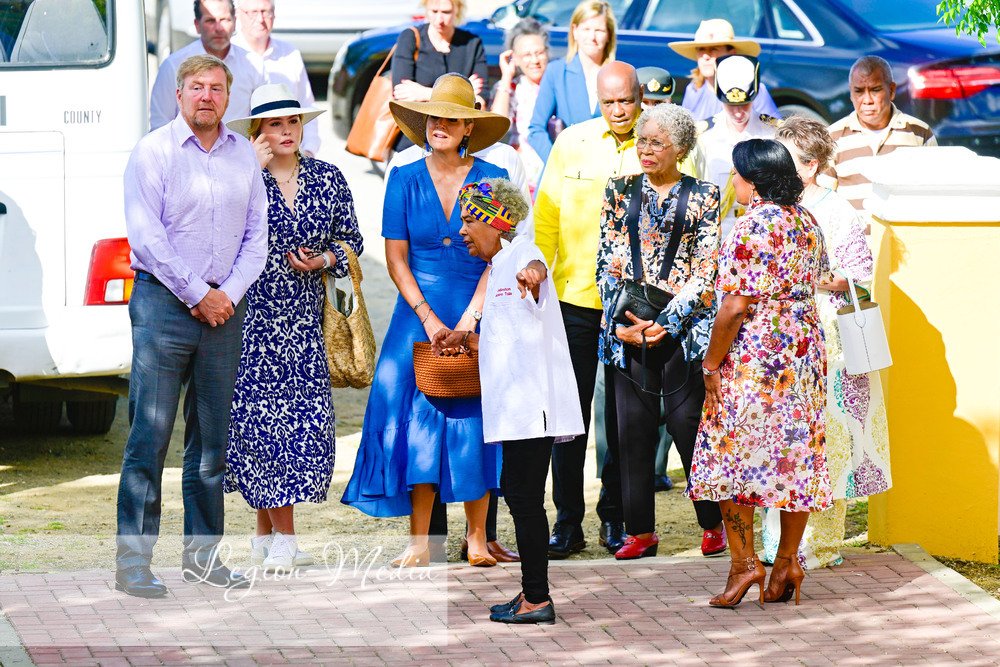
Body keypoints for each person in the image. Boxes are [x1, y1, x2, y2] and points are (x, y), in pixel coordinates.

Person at [341, 74, 511, 569]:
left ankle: (477, 539)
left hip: (478, 310)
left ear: (467, 128)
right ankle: (421, 542)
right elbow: (395, 259)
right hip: (416, 315)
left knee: (475, 420)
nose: (441, 125)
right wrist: (429, 318)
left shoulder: (493, 176)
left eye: (451, 119)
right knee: (414, 420)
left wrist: (471, 317)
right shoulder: (402, 176)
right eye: (434, 117)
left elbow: (498, 256)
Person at [116, 54, 267, 598]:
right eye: (197, 87)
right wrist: (199, 294)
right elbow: (146, 238)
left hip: (225, 311)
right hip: (163, 306)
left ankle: (203, 561)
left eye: (217, 88)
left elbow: (257, 238)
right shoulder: (153, 152)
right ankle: (132, 564)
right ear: (179, 94)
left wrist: (225, 295)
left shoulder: (244, 156)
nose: (207, 96)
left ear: (229, 97)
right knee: (148, 436)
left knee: (210, 448)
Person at [686, 138, 833, 608]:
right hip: (803, 353)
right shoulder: (806, 222)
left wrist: (711, 364)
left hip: (756, 360)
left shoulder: (751, 227)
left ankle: (744, 565)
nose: (732, 182)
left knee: (729, 458)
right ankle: (788, 561)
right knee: (796, 459)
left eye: (735, 175)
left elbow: (733, 307)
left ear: (753, 180)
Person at [223, 84, 363, 571]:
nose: (286, 131)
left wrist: (324, 258)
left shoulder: (328, 177)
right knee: (261, 431)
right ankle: (281, 538)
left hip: (307, 324)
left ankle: (268, 536)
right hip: (253, 322)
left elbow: (353, 241)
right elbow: (219, 233)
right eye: (275, 124)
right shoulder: (243, 176)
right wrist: (250, 171)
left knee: (299, 430)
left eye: (293, 122)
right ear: (258, 132)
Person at [433, 178, 584, 625]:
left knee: (523, 498)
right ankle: (531, 594)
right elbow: (508, 335)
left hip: (530, 407)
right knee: (522, 498)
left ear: (493, 219)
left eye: (467, 219)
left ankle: (538, 598)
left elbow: (536, 264)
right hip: (515, 407)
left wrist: (534, 275)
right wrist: (466, 338)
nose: (462, 230)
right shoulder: (499, 265)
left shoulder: (520, 253)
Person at [596, 103, 725, 560]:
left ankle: (713, 522)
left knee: (688, 425)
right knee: (630, 431)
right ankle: (640, 532)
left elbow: (708, 271)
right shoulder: (619, 190)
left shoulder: (705, 194)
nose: (645, 149)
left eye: (656, 142)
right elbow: (606, 261)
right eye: (641, 140)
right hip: (626, 326)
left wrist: (665, 324)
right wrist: (623, 324)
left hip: (683, 331)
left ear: (681, 149)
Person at [761, 116, 891, 569]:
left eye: (787, 159)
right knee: (780, 437)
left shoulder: (838, 212)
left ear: (811, 165)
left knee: (829, 437)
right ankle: (775, 542)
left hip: (828, 336)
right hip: (777, 338)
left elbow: (857, 274)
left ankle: (820, 543)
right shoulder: (770, 205)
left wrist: (811, 277)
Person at [534, 61, 643, 559]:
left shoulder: (659, 143)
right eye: (610, 102)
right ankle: (567, 522)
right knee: (568, 418)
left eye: (627, 101)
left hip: (634, 306)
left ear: (641, 97)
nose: (619, 111)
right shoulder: (571, 142)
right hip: (574, 299)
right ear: (597, 99)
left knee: (624, 420)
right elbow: (547, 217)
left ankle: (617, 517)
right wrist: (535, 276)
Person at [821, 55, 936, 219]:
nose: (867, 100)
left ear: (891, 90)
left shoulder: (919, 133)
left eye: (875, 90)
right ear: (851, 93)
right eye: (859, 91)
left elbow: (931, 194)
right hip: (853, 243)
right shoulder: (833, 137)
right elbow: (824, 199)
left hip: (903, 240)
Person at [693, 54, 778, 242]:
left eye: (744, 104)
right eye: (731, 105)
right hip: (719, 235)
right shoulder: (704, 136)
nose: (738, 113)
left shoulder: (773, 133)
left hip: (764, 234)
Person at [149, 0, 264, 131]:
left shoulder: (254, 65)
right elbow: (160, 125)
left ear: (235, 22)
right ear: (197, 25)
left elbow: (262, 120)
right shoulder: (173, 66)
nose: (219, 28)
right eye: (210, 21)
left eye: (225, 20)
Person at [527, 0, 616, 163]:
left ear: (609, 34)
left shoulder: (618, 75)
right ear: (574, 31)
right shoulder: (556, 71)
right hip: (565, 172)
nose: (592, 37)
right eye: (586, 29)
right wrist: (557, 163)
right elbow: (536, 129)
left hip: (607, 173)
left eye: (599, 30)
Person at [391, 0, 487, 151]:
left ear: (458, 10)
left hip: (458, 146)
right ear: (426, 9)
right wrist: (462, 94)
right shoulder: (410, 38)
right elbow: (401, 94)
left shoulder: (472, 44)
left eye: (446, 12)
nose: (439, 19)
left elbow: (481, 102)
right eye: (434, 11)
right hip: (413, 141)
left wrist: (422, 93)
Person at [232, 0, 321, 156]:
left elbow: (306, 105)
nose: (260, 19)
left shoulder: (290, 54)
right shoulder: (227, 58)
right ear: (238, 14)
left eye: (266, 12)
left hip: (289, 162)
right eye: (253, 12)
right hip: (238, 159)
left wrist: (309, 150)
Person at [668, 19, 780, 122]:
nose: (706, 56)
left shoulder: (756, 91)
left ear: (731, 54)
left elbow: (774, 134)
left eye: (713, 49)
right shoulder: (693, 90)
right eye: (701, 49)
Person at [491, 18, 550, 195]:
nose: (535, 60)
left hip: (552, 171)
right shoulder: (513, 87)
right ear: (514, 58)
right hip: (521, 175)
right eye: (526, 55)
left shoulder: (556, 83)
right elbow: (496, 125)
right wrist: (506, 77)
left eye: (539, 53)